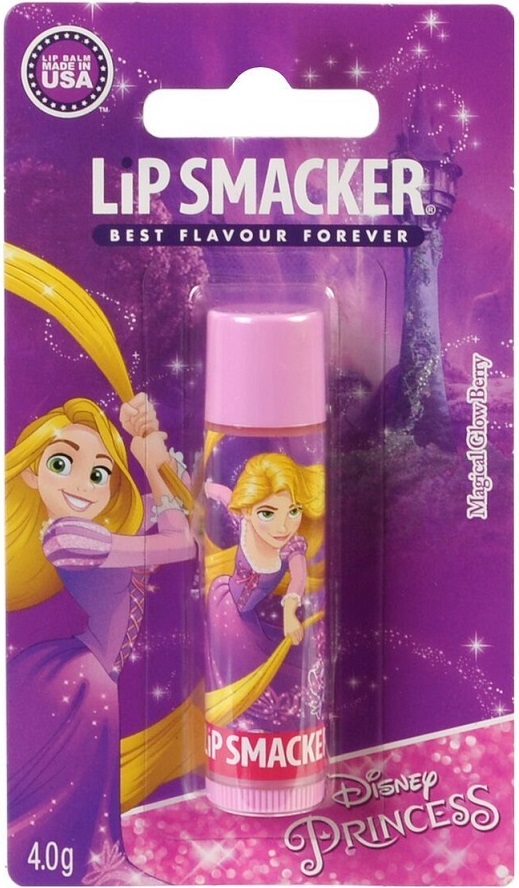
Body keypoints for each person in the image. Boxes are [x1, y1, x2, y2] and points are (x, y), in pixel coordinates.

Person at [6, 393, 196, 886]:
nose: (82, 484)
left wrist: (151, 449)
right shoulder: (68, 537)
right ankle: (91, 867)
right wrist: (150, 468)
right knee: (83, 776)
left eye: (98, 473)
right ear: (32, 473)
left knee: (87, 775)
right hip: (80, 675)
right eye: (62, 463)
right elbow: (179, 543)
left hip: (92, 669)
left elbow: (183, 511)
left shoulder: (107, 528)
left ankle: (95, 864)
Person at [204, 452, 325, 732]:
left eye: (293, 511)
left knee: (259, 658)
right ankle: (233, 717)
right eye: (268, 513)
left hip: (245, 616)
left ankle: (249, 718)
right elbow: (221, 493)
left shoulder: (292, 548)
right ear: (248, 510)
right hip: (223, 600)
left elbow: (298, 579)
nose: (283, 526)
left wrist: (290, 613)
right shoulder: (243, 521)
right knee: (228, 658)